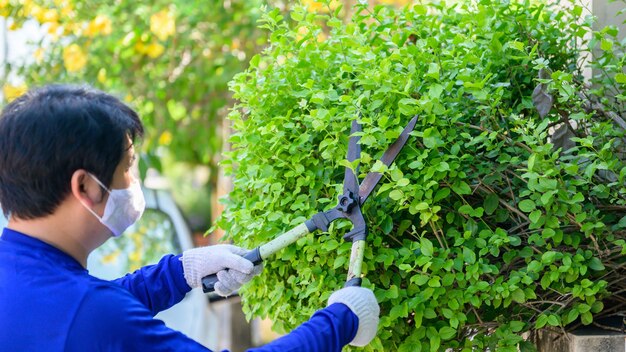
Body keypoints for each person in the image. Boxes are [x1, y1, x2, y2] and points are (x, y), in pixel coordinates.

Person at [0, 85, 379, 351]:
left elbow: (71, 314)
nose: (132, 182)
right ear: (86, 186)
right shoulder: (93, 315)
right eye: (128, 167)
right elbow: (93, 317)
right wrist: (341, 320)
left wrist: (183, 270)